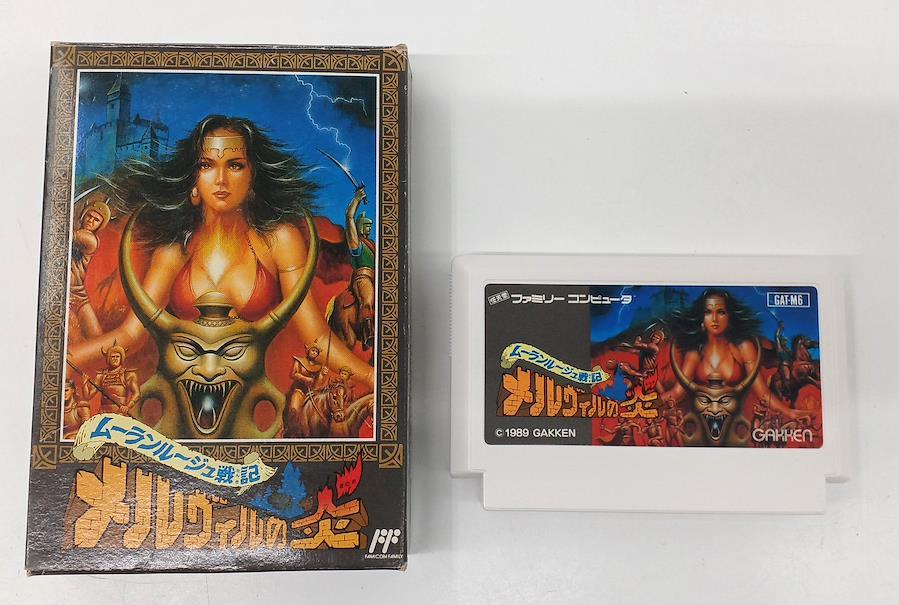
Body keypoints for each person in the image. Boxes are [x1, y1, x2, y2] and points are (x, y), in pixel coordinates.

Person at [66, 115, 374, 393]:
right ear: (194, 179)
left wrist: (374, 379)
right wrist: (64, 361)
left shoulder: (279, 240)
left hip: (258, 401)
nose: (221, 179)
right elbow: (130, 336)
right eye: (207, 165)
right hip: (181, 396)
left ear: (253, 177)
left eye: (235, 165)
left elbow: (315, 338)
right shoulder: (174, 248)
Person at [659, 289, 807, 422]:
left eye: (721, 312)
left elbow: (762, 393)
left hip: (737, 424)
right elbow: (678, 393)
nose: (714, 318)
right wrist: (650, 402)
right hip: (700, 423)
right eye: (708, 312)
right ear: (702, 318)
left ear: (729, 316)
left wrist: (790, 413)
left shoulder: (743, 348)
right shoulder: (695, 351)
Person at [69, 195, 111, 338]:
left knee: (96, 338)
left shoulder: (90, 239)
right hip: (66, 290)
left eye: (96, 220)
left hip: (77, 293)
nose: (91, 221)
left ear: (101, 225)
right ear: (84, 215)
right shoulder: (81, 233)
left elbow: (65, 236)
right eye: (89, 216)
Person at [82, 342, 140, 415]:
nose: (115, 359)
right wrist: (84, 383)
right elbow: (88, 396)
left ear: (121, 358)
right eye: (113, 357)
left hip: (120, 413)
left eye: (117, 357)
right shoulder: (101, 376)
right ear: (108, 359)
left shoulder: (128, 374)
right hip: (103, 413)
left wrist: (127, 406)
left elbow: (136, 393)